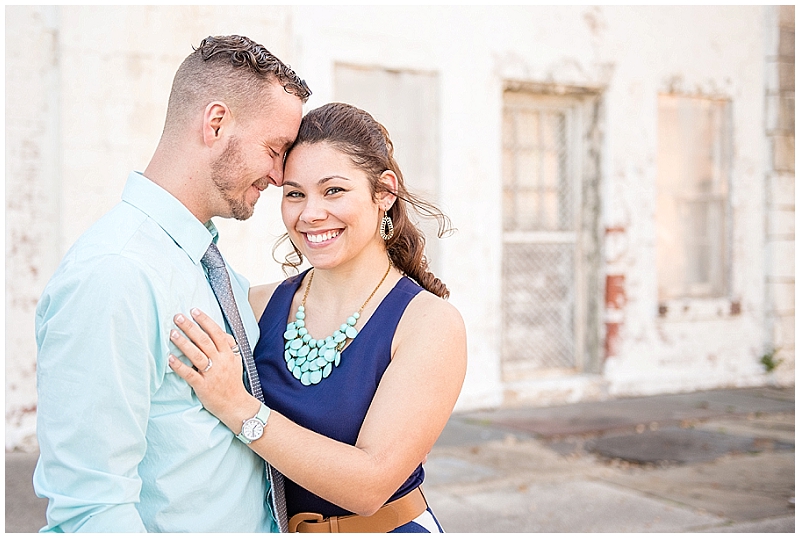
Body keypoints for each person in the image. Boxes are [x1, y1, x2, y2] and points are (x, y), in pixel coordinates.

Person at [33, 35, 310, 532]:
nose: (278, 174)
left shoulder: (203, 263)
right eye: (275, 149)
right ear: (216, 122)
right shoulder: (116, 274)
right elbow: (91, 509)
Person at [168, 102, 468, 533]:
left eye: (333, 191)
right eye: (294, 193)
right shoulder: (254, 305)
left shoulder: (428, 324)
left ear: (384, 192)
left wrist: (237, 407)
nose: (310, 213)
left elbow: (369, 487)